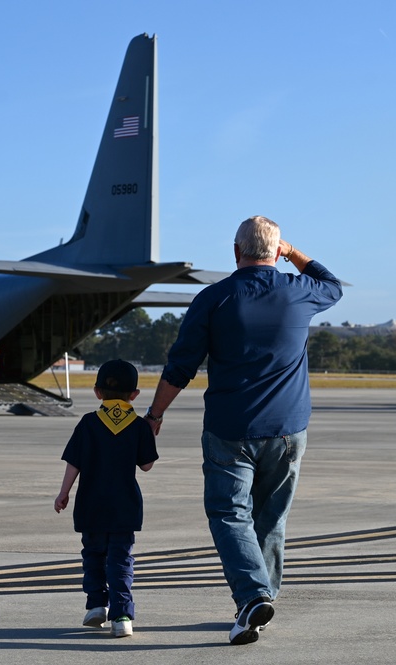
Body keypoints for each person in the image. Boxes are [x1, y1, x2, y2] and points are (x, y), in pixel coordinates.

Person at [145, 215, 342, 645]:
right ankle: (261, 600)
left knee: (229, 513)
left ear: (236, 252)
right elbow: (333, 283)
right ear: (275, 251)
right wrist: (294, 254)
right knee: (271, 518)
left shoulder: (213, 299)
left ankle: (253, 596)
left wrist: (155, 414)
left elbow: (181, 366)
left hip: (231, 430)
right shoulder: (299, 292)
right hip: (289, 430)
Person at [54, 359, 158, 639]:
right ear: (134, 395)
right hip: (124, 506)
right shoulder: (137, 426)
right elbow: (146, 465)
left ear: (97, 392)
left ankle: (96, 605)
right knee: (120, 560)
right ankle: (121, 615)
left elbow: (73, 463)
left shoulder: (88, 423)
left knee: (93, 556)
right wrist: (150, 432)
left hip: (91, 505)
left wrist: (63, 493)